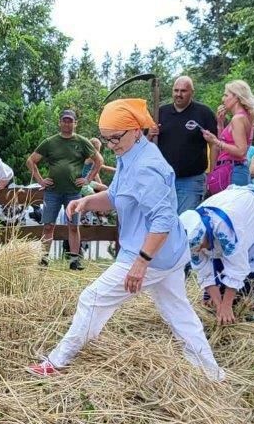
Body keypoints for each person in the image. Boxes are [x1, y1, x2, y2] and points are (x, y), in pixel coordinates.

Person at [26, 99, 223, 381]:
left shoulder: (147, 166)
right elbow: (118, 196)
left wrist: (141, 263)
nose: (110, 145)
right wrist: (87, 203)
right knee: (179, 312)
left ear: (135, 130)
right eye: (106, 139)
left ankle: (57, 361)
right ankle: (211, 373)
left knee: (92, 299)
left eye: (114, 138)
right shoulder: (130, 153)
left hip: (151, 252)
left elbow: (163, 220)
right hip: (169, 252)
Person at [180, 186, 254, 324]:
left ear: (205, 238)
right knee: (219, 268)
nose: (200, 250)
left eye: (201, 246)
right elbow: (204, 272)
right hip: (232, 208)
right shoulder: (191, 235)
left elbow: (237, 268)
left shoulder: (225, 229)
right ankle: (225, 310)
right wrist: (220, 305)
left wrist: (226, 305)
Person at [26, 109, 102, 270]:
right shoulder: (50, 142)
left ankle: (74, 260)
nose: (67, 123)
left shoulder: (82, 142)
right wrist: (40, 180)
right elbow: (31, 161)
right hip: (52, 191)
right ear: (60, 122)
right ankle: (44, 258)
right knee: (48, 225)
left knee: (73, 226)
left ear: (75, 123)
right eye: (64, 120)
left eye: (70, 121)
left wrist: (88, 179)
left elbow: (99, 160)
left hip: (73, 192)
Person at [155, 75, 218, 212]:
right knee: (164, 224)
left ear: (192, 92)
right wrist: (149, 134)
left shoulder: (203, 113)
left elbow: (214, 144)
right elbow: (145, 142)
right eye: (176, 90)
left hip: (191, 180)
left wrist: (213, 175)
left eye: (183, 91)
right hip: (163, 181)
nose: (178, 94)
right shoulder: (160, 113)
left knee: (186, 224)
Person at [201, 80, 254, 189]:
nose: (223, 99)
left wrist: (215, 141)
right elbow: (228, 144)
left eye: (226, 95)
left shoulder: (238, 119)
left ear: (236, 97)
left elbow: (241, 151)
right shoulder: (244, 117)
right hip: (235, 170)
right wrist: (220, 123)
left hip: (233, 171)